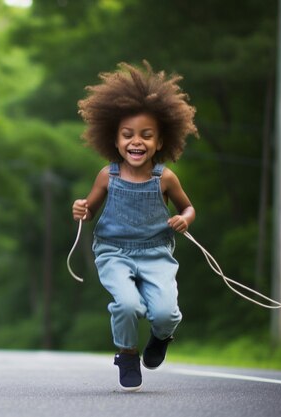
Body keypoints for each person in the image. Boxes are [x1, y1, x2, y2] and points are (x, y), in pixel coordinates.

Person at [72, 61, 198, 392]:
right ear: (115, 140)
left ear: (160, 141)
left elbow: (187, 207)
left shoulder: (165, 178)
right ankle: (127, 353)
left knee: (165, 313)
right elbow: (89, 210)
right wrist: (81, 209)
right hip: (113, 251)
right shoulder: (107, 176)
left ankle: (161, 336)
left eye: (146, 135)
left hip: (156, 253)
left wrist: (183, 219)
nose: (136, 142)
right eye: (127, 135)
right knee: (127, 304)